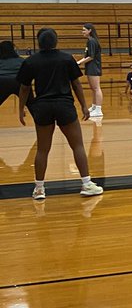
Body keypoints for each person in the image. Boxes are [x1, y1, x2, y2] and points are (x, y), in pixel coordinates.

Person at [16, 28, 104, 200]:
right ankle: (87, 184)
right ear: (56, 41)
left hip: (42, 107)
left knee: (42, 149)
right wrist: (84, 106)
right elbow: (76, 84)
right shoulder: (66, 58)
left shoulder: (31, 61)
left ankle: (39, 189)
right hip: (65, 105)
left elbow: (24, 88)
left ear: (38, 42)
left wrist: (21, 109)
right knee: (77, 145)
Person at [77, 24, 103, 118]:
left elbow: (91, 57)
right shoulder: (89, 41)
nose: (82, 32)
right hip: (90, 66)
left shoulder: (92, 41)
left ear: (90, 30)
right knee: (93, 88)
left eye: (84, 30)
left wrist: (79, 62)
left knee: (96, 88)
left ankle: (99, 109)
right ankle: (94, 106)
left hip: (94, 67)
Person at [0, 40, 23, 109]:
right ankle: (42, 119)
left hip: (2, 82)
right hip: (20, 83)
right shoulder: (22, 60)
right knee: (33, 106)